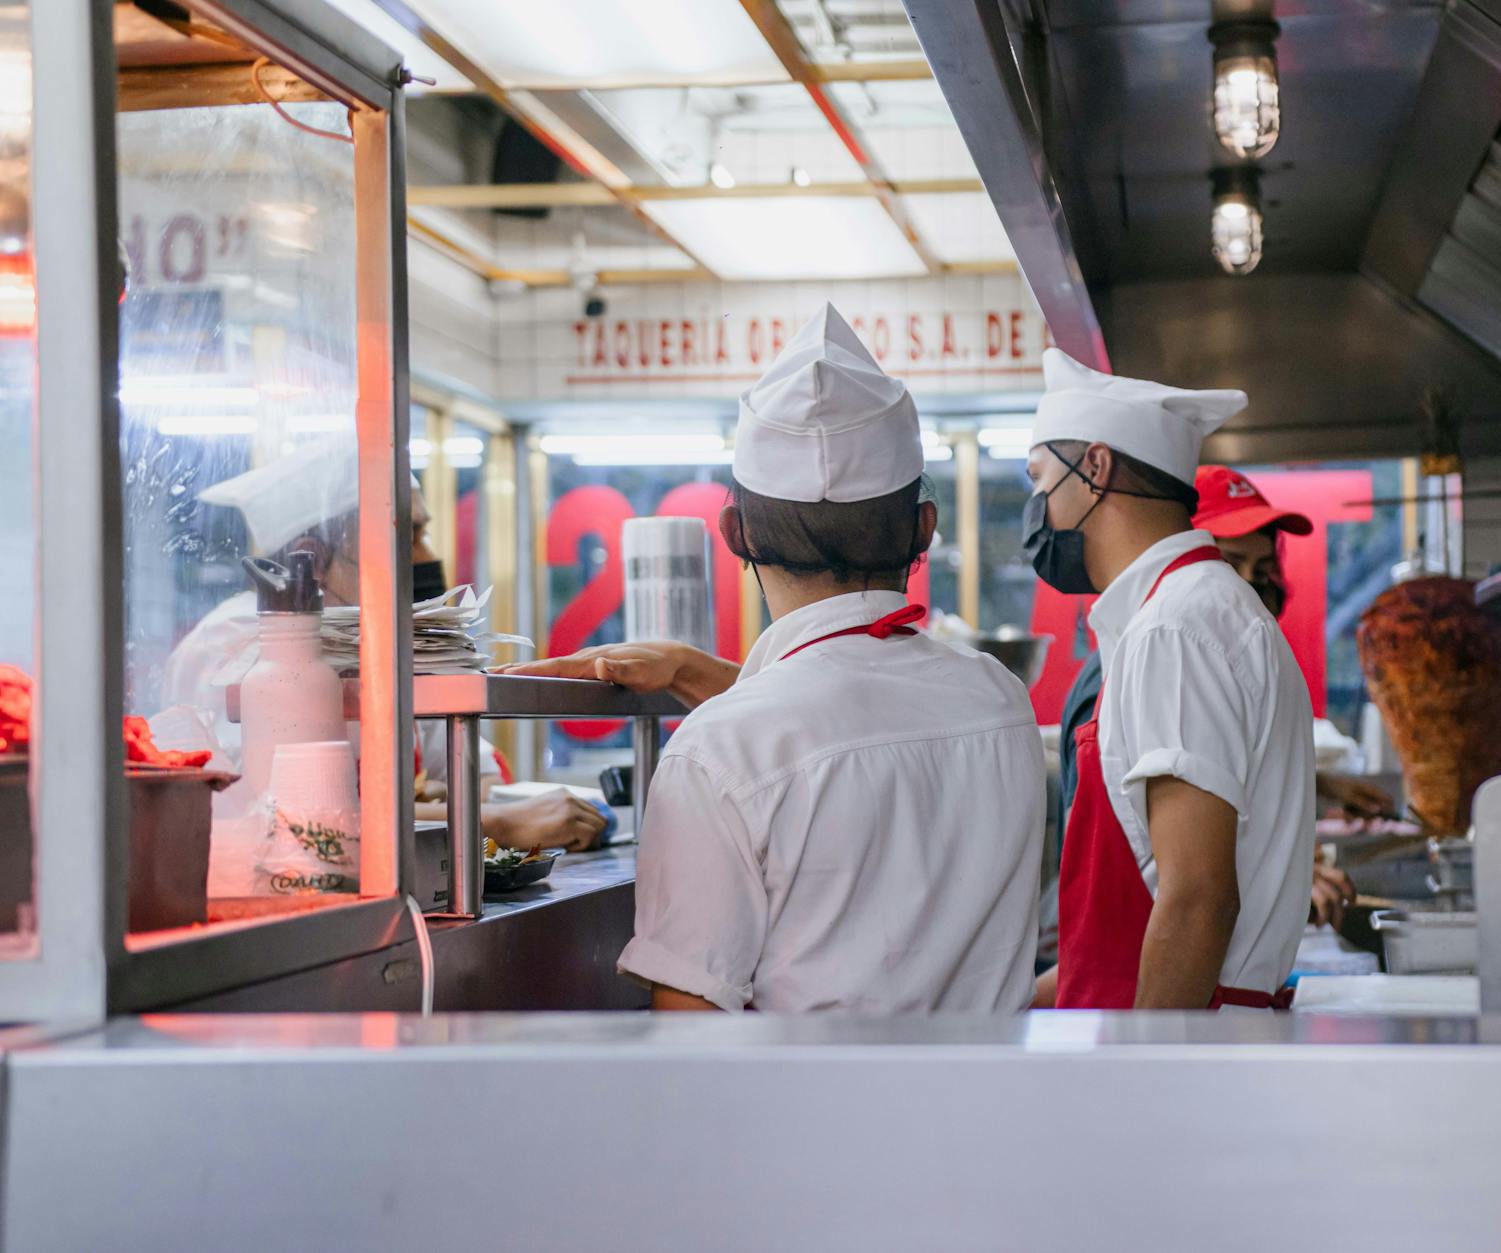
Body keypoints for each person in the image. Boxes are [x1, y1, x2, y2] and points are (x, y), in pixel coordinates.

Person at [502, 305, 1045, 1013]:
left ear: (734, 532)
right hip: (991, 1121)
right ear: (924, 527)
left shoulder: (719, 751)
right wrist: (697, 669)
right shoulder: (1000, 700)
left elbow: (693, 1038)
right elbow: (853, 711)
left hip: (807, 1126)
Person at [1025, 349, 1315, 1010]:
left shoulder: (1174, 627)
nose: (1037, 503)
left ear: (1094, 468)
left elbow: (1197, 897)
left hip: (1187, 1046)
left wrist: (1151, 1069)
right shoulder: (1179, 612)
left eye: (1040, 477)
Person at [165, 443, 603, 854]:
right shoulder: (239, 643)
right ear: (312, 562)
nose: (427, 555)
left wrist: (454, 800)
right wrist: (495, 823)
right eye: (407, 536)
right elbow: (288, 819)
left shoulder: (381, 639)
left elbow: (479, 774)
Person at [1055, 466, 1389, 934]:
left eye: (1262, 570)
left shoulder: (1208, 653)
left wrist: (1323, 787)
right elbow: (1151, 874)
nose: (1249, 588)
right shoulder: (1156, 658)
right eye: (1230, 565)